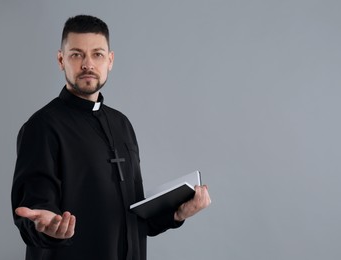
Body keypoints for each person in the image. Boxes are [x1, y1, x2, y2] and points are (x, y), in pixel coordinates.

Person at [11, 14, 211, 260]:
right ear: (61, 60)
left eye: (97, 54)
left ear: (110, 60)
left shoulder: (122, 124)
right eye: (76, 54)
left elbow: (133, 219)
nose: (87, 64)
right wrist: (48, 228)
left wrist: (178, 213)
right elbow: (36, 210)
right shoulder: (41, 127)